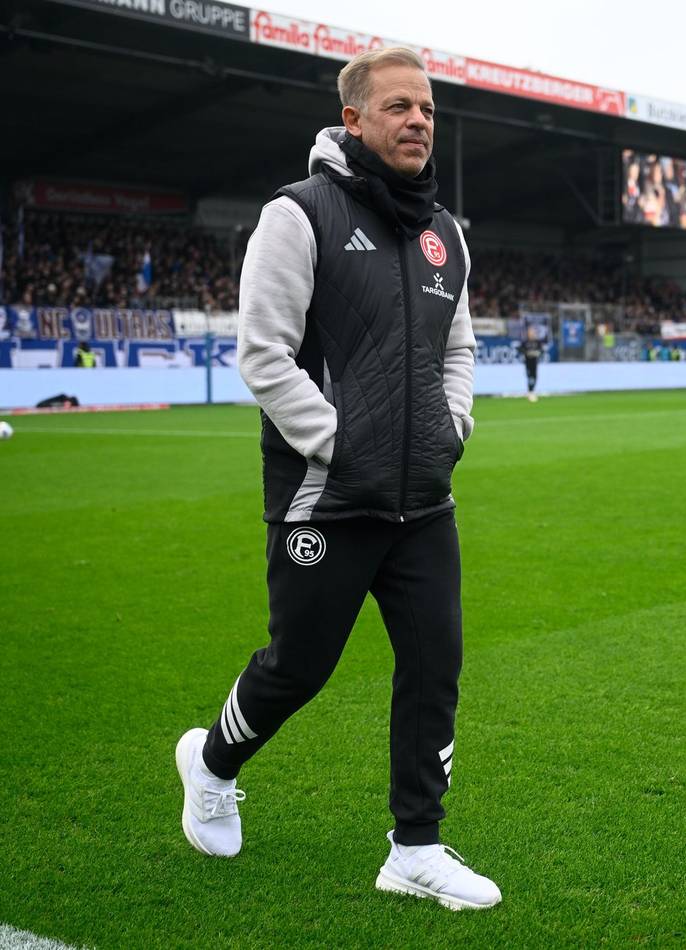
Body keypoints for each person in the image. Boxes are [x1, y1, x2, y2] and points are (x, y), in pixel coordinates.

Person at [175, 47, 501, 911]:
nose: (418, 121)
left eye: (427, 109)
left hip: (424, 499)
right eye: (398, 107)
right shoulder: (298, 215)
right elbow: (264, 354)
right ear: (353, 119)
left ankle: (415, 847)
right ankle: (211, 764)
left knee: (435, 665)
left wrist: (452, 428)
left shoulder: (446, 233)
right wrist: (340, 446)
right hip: (327, 495)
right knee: (299, 667)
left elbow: (459, 347)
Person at [520, 327, 543, 401]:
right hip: (527, 361)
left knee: (535, 376)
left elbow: (541, 350)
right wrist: (528, 353)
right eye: (530, 332)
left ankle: (532, 391)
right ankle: (530, 391)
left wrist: (537, 353)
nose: (531, 334)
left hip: (534, 361)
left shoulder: (537, 342)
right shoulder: (525, 342)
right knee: (529, 376)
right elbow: (521, 350)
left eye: (533, 332)